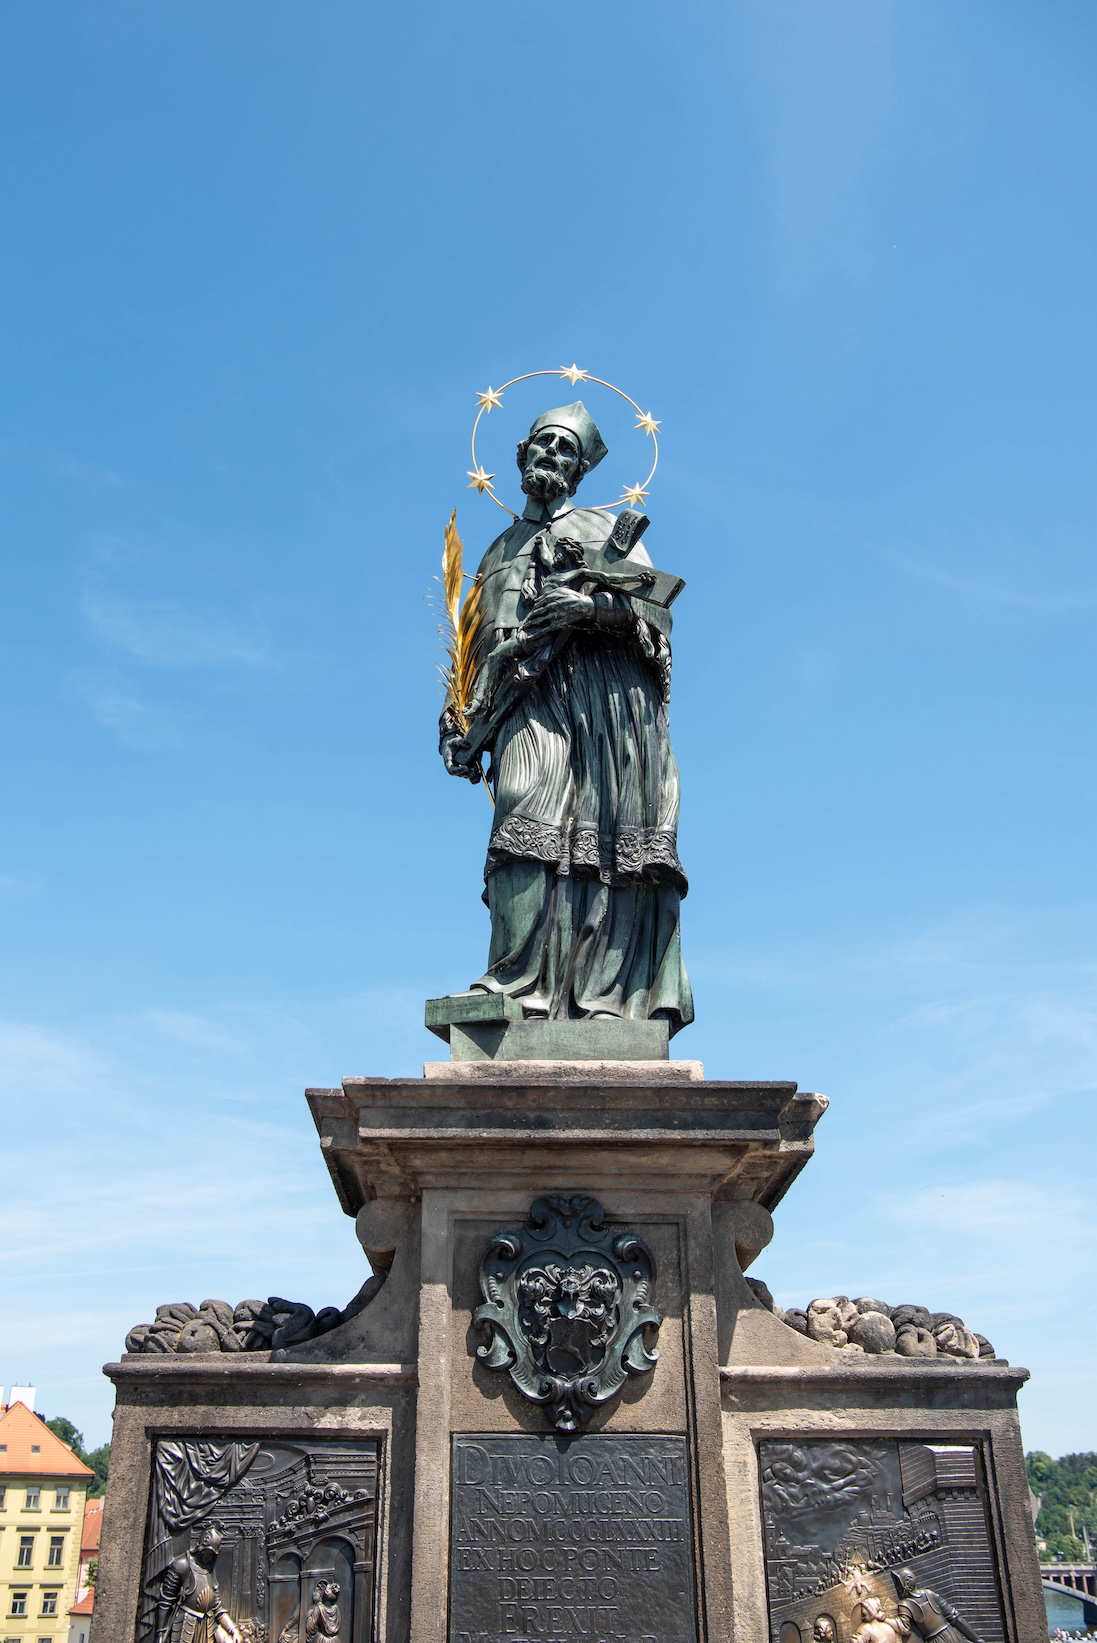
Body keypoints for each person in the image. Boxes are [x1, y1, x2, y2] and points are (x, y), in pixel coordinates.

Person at [439, 402, 693, 1031]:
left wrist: (590, 611)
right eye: (542, 444)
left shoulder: (608, 528)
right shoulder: (498, 549)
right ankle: (512, 981)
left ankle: (601, 992)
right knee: (523, 815)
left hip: (603, 704)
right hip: (527, 698)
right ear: (520, 457)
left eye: (565, 450)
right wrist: (457, 718)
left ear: (580, 470)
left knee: (605, 840)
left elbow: (656, 619)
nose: (551, 456)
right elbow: (470, 643)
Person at [154, 1522, 241, 1643]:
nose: (210, 1558)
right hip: (185, 1626)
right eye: (209, 1553)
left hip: (208, 1628)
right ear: (201, 1547)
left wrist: (233, 1629)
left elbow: (216, 1607)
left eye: (213, 1555)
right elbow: (165, 1601)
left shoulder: (209, 1570)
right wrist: (160, 1634)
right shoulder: (182, 1564)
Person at [893, 1567, 985, 1643]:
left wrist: (884, 1619)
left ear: (907, 1582)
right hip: (952, 1635)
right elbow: (956, 1618)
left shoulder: (905, 1604)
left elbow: (903, 1628)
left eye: (898, 1584)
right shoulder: (929, 1594)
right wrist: (977, 1639)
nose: (897, 1588)